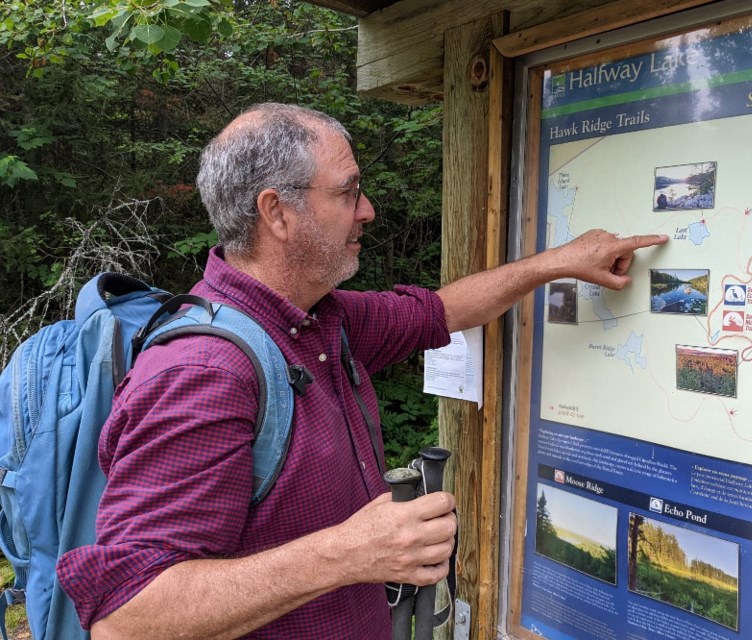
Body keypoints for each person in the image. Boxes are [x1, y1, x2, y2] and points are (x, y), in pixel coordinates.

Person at [55, 103, 668, 639]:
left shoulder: (323, 323)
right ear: (278, 212)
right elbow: (127, 615)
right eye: (348, 192)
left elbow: (445, 308)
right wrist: (348, 553)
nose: (368, 210)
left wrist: (560, 261)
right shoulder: (205, 369)